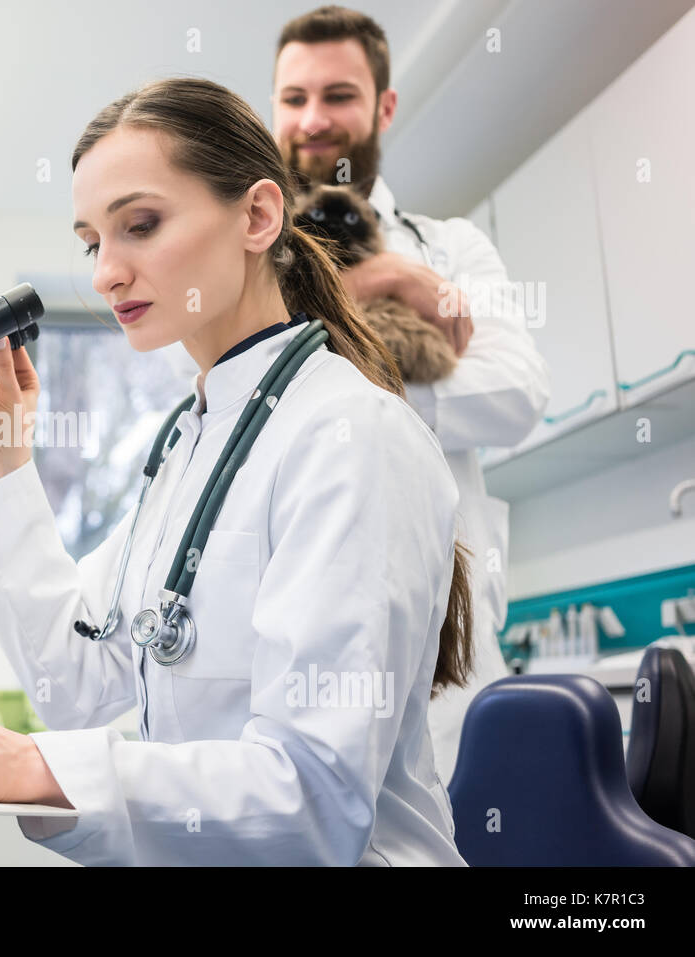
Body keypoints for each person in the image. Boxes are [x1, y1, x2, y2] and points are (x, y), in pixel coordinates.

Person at [0, 76, 474, 866]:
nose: (105, 273)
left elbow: (312, 797)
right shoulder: (192, 443)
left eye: (140, 224)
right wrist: (4, 470)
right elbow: (81, 687)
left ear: (259, 216)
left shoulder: (351, 436)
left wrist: (26, 763)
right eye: (93, 242)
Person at [271, 5, 550, 783]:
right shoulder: (245, 255)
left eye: (339, 94)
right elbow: (240, 385)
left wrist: (357, 369)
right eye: (294, 98)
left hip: (447, 658)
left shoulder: (451, 246)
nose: (314, 118)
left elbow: (517, 391)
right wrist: (384, 281)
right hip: (290, 636)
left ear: (384, 106)